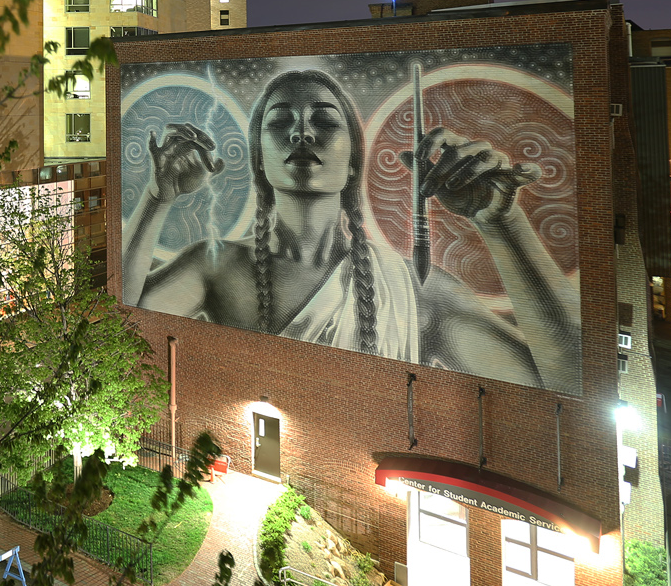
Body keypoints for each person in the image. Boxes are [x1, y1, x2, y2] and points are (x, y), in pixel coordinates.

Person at [121, 68, 580, 392]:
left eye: (324, 121)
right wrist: (157, 199)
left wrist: (502, 224)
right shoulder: (215, 264)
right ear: (259, 159)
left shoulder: (415, 288)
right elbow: (118, 327)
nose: (302, 134)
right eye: (280, 122)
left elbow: (566, 381)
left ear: (353, 160)